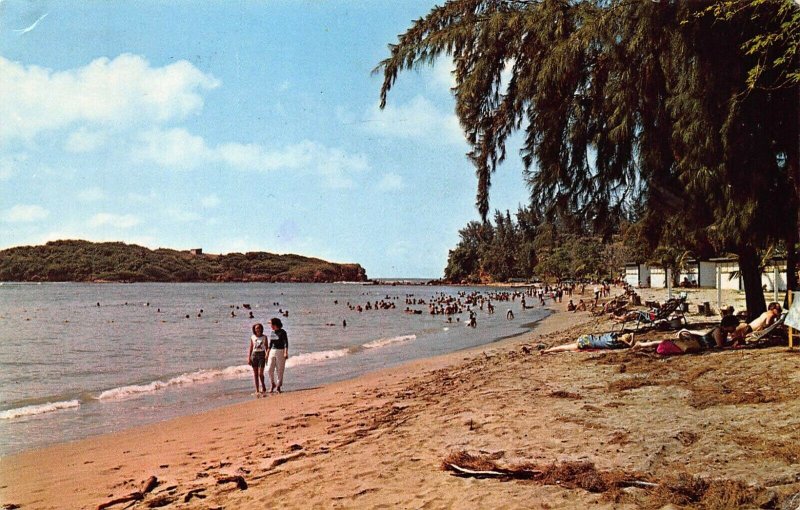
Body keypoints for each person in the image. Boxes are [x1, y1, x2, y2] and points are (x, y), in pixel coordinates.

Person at [634, 315, 740, 355]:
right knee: (665, 343)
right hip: (695, 343)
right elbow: (720, 346)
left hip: (697, 343)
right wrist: (733, 344)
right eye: (733, 326)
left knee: (664, 343)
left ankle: (643, 345)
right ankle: (641, 345)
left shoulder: (723, 331)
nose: (734, 329)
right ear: (728, 325)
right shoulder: (718, 331)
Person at [542, 332, 635, 353]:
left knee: (565, 347)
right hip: (587, 344)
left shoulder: (611, 335)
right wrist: (632, 338)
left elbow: (620, 338)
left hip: (586, 338)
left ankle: (547, 351)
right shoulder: (614, 343)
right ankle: (548, 351)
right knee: (565, 348)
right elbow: (630, 345)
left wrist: (626, 337)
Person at [266, 317, 289, 393]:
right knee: (269, 369)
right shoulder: (272, 332)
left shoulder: (282, 332)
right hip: (272, 351)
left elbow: (286, 343)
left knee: (280, 369)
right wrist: (267, 353)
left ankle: (278, 386)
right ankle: (273, 383)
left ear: (275, 324)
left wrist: (286, 352)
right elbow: (270, 344)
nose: (270, 326)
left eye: (271, 324)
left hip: (281, 351)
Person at [248, 323, 267, 395]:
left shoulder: (264, 337)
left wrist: (267, 355)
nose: (257, 329)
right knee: (255, 374)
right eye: (256, 328)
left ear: (261, 329)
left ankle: (263, 385)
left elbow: (267, 347)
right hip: (254, 355)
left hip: (262, 355)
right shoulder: (252, 337)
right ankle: (257, 390)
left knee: (260, 373)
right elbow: (251, 347)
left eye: (259, 328)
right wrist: (249, 358)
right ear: (254, 329)